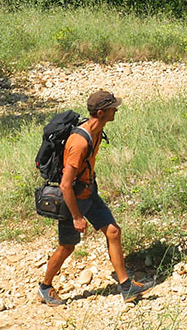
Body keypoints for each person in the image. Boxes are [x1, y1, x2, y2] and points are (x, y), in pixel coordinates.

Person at [38, 89, 152, 306]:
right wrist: (76, 217)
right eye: (112, 108)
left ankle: (126, 286)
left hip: (89, 192)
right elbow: (65, 185)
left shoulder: (97, 130)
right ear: (101, 112)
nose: (115, 110)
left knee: (113, 231)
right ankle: (44, 287)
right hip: (73, 200)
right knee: (67, 247)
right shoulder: (79, 142)